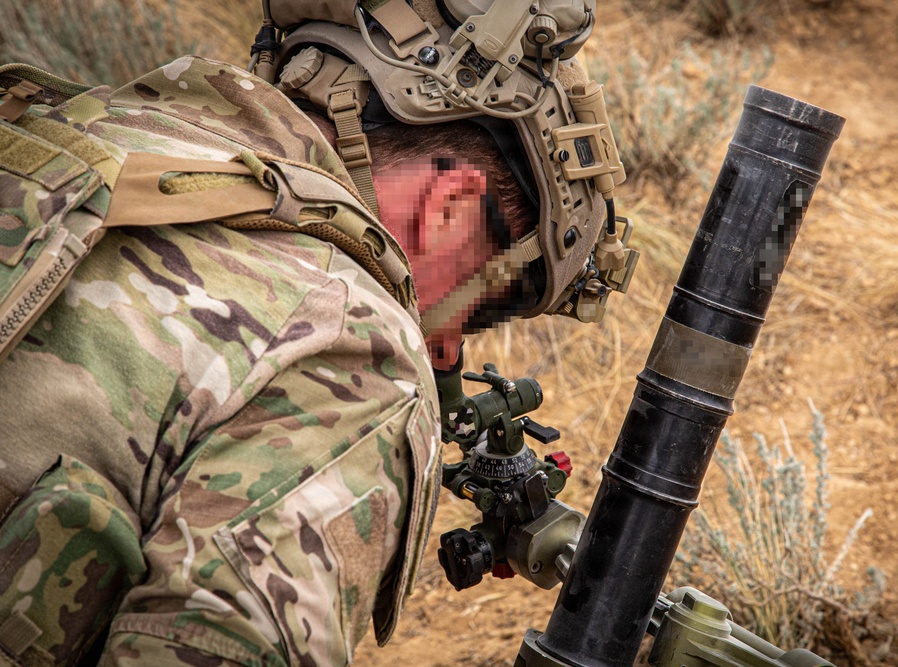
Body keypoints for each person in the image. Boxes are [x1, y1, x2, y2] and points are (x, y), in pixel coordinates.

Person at [0, 0, 631, 664]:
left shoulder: (57, 128)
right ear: (447, 212)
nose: (446, 349)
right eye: (480, 304)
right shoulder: (348, 348)